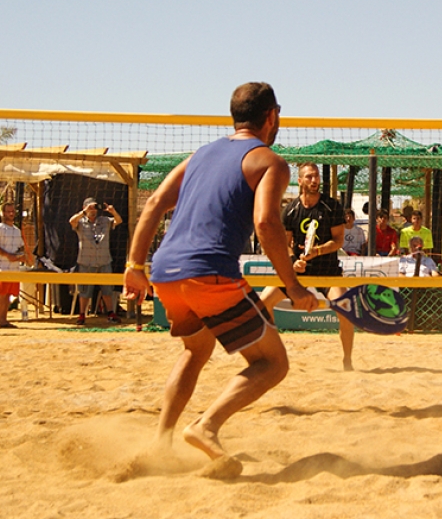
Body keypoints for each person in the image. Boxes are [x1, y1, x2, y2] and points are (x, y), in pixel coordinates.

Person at [121, 82, 316, 476]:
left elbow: (155, 203)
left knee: (196, 350)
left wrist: (134, 266)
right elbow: (266, 223)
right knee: (273, 363)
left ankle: (161, 441)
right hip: (208, 273)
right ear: (272, 116)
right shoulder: (270, 162)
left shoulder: (200, 155)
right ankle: (205, 426)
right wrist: (292, 286)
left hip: (164, 272)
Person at [265, 162, 352, 370]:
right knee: (263, 304)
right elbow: (284, 245)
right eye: (310, 177)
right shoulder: (290, 210)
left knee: (346, 311)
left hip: (327, 271)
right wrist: (293, 261)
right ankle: (271, 356)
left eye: (317, 177)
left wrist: (317, 251)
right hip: (299, 272)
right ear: (300, 181)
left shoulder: (331, 206)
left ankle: (347, 359)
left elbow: (338, 240)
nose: (315, 181)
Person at [69, 197, 123, 325]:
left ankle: (110, 313)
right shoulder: (81, 222)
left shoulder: (104, 221)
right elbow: (71, 221)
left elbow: (119, 221)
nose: (93, 210)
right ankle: (82, 315)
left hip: (104, 260)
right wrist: (84, 212)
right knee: (85, 291)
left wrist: (112, 211)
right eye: (90, 208)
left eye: (94, 208)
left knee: (107, 289)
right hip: (86, 262)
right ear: (85, 208)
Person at [0, 202, 27, 328]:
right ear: (3, 213)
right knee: (2, 294)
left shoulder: (16, 230)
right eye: (8, 211)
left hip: (14, 267)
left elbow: (21, 247)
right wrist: (7, 255)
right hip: (2, 267)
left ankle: (4, 320)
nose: (11, 213)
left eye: (12, 211)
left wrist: (20, 256)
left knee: (9, 294)